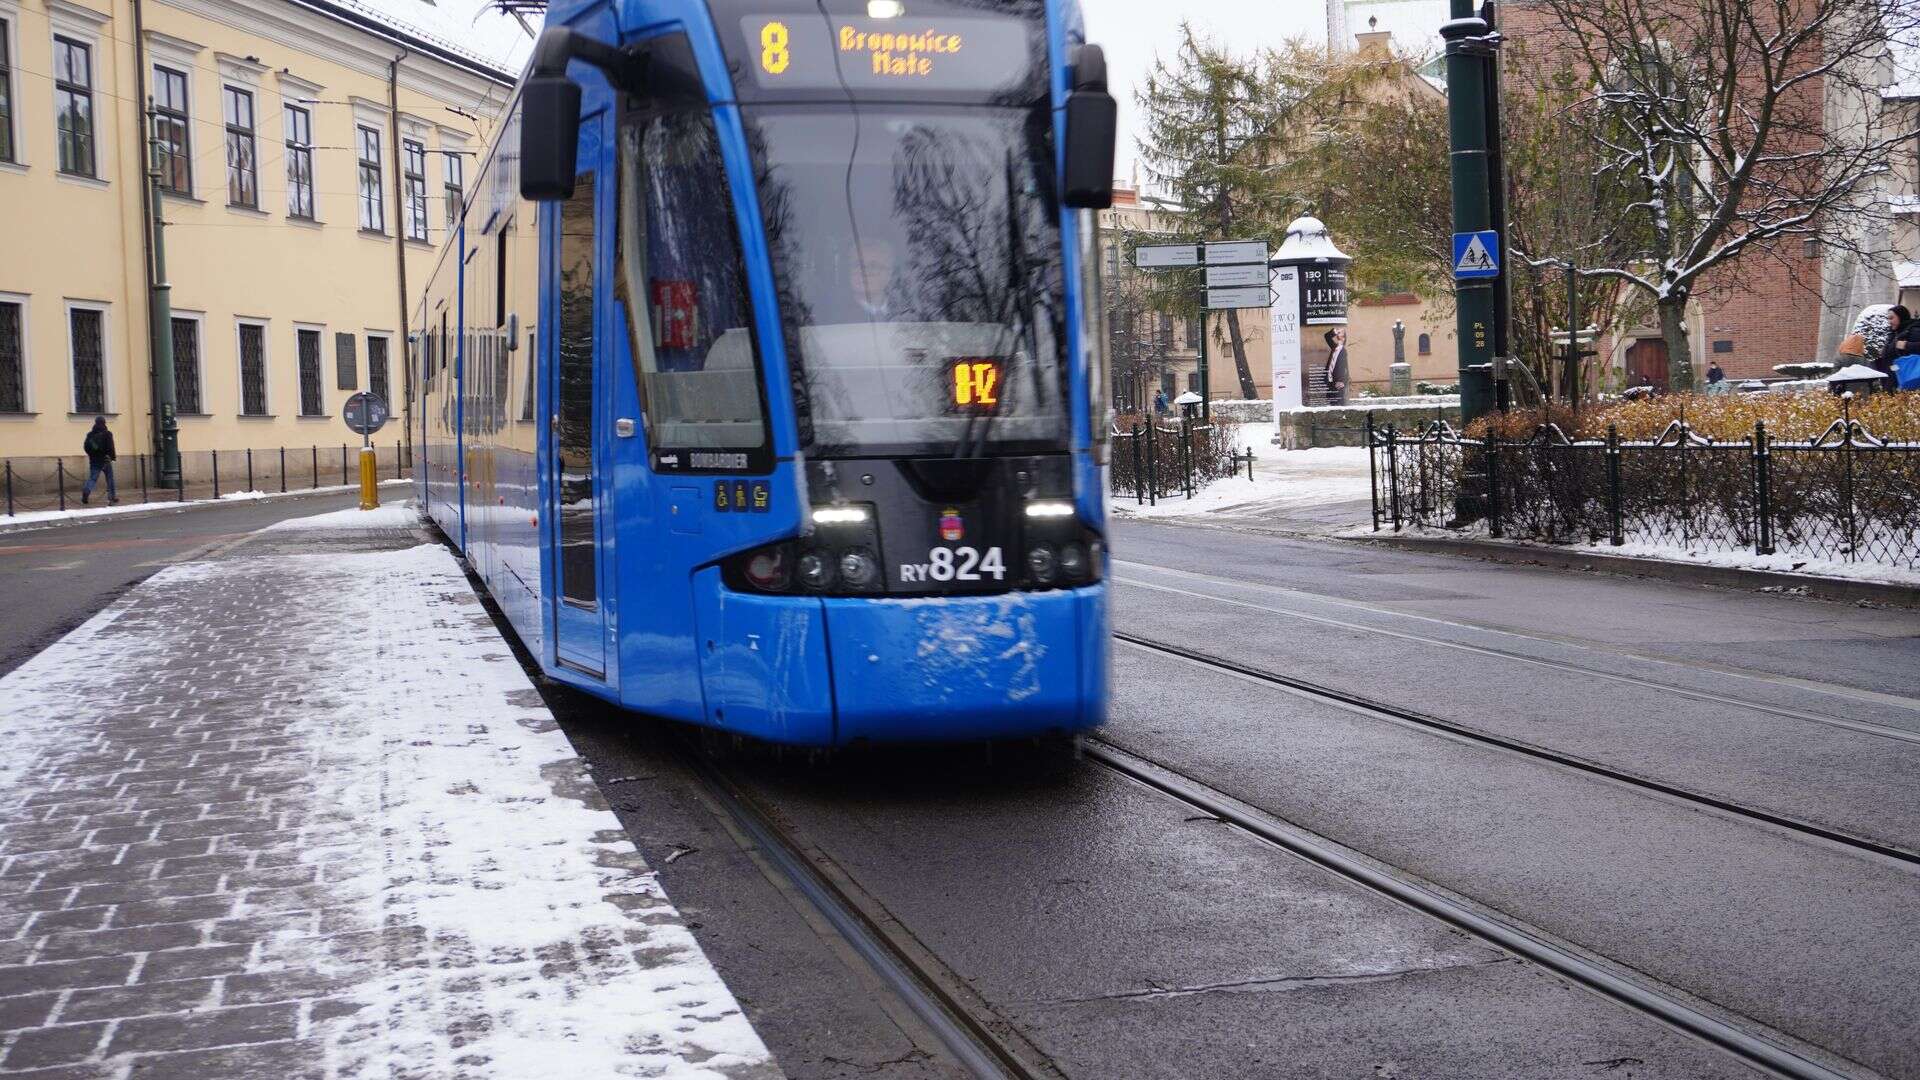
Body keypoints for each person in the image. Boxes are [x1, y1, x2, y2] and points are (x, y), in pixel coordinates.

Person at [81, 416, 117, 505]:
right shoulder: (107, 433)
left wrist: (91, 455)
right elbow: (110, 447)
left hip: (94, 460)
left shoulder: (90, 434)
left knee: (92, 478)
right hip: (105, 460)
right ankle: (111, 497)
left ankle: (87, 490)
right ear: (104, 422)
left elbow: (86, 447)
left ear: (95, 422)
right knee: (110, 479)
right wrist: (113, 457)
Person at [1323, 327, 1349, 406]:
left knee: (1339, 403)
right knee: (1332, 403)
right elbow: (1327, 336)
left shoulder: (1343, 351)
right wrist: (1334, 331)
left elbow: (1344, 368)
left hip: (1338, 382)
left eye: (1340, 332)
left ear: (1343, 337)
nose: (1338, 333)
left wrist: (1341, 381)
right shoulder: (1334, 347)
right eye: (1338, 332)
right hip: (1330, 381)